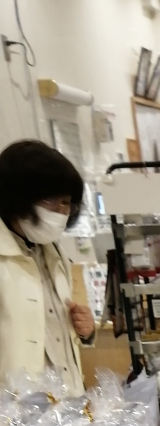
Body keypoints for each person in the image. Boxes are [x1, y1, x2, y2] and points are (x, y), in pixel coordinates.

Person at [0, 140, 94, 397]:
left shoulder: (54, 252)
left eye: (67, 202)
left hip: (66, 399)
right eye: (51, 200)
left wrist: (85, 331)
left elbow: (53, 330)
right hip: (14, 406)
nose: (61, 212)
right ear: (18, 198)